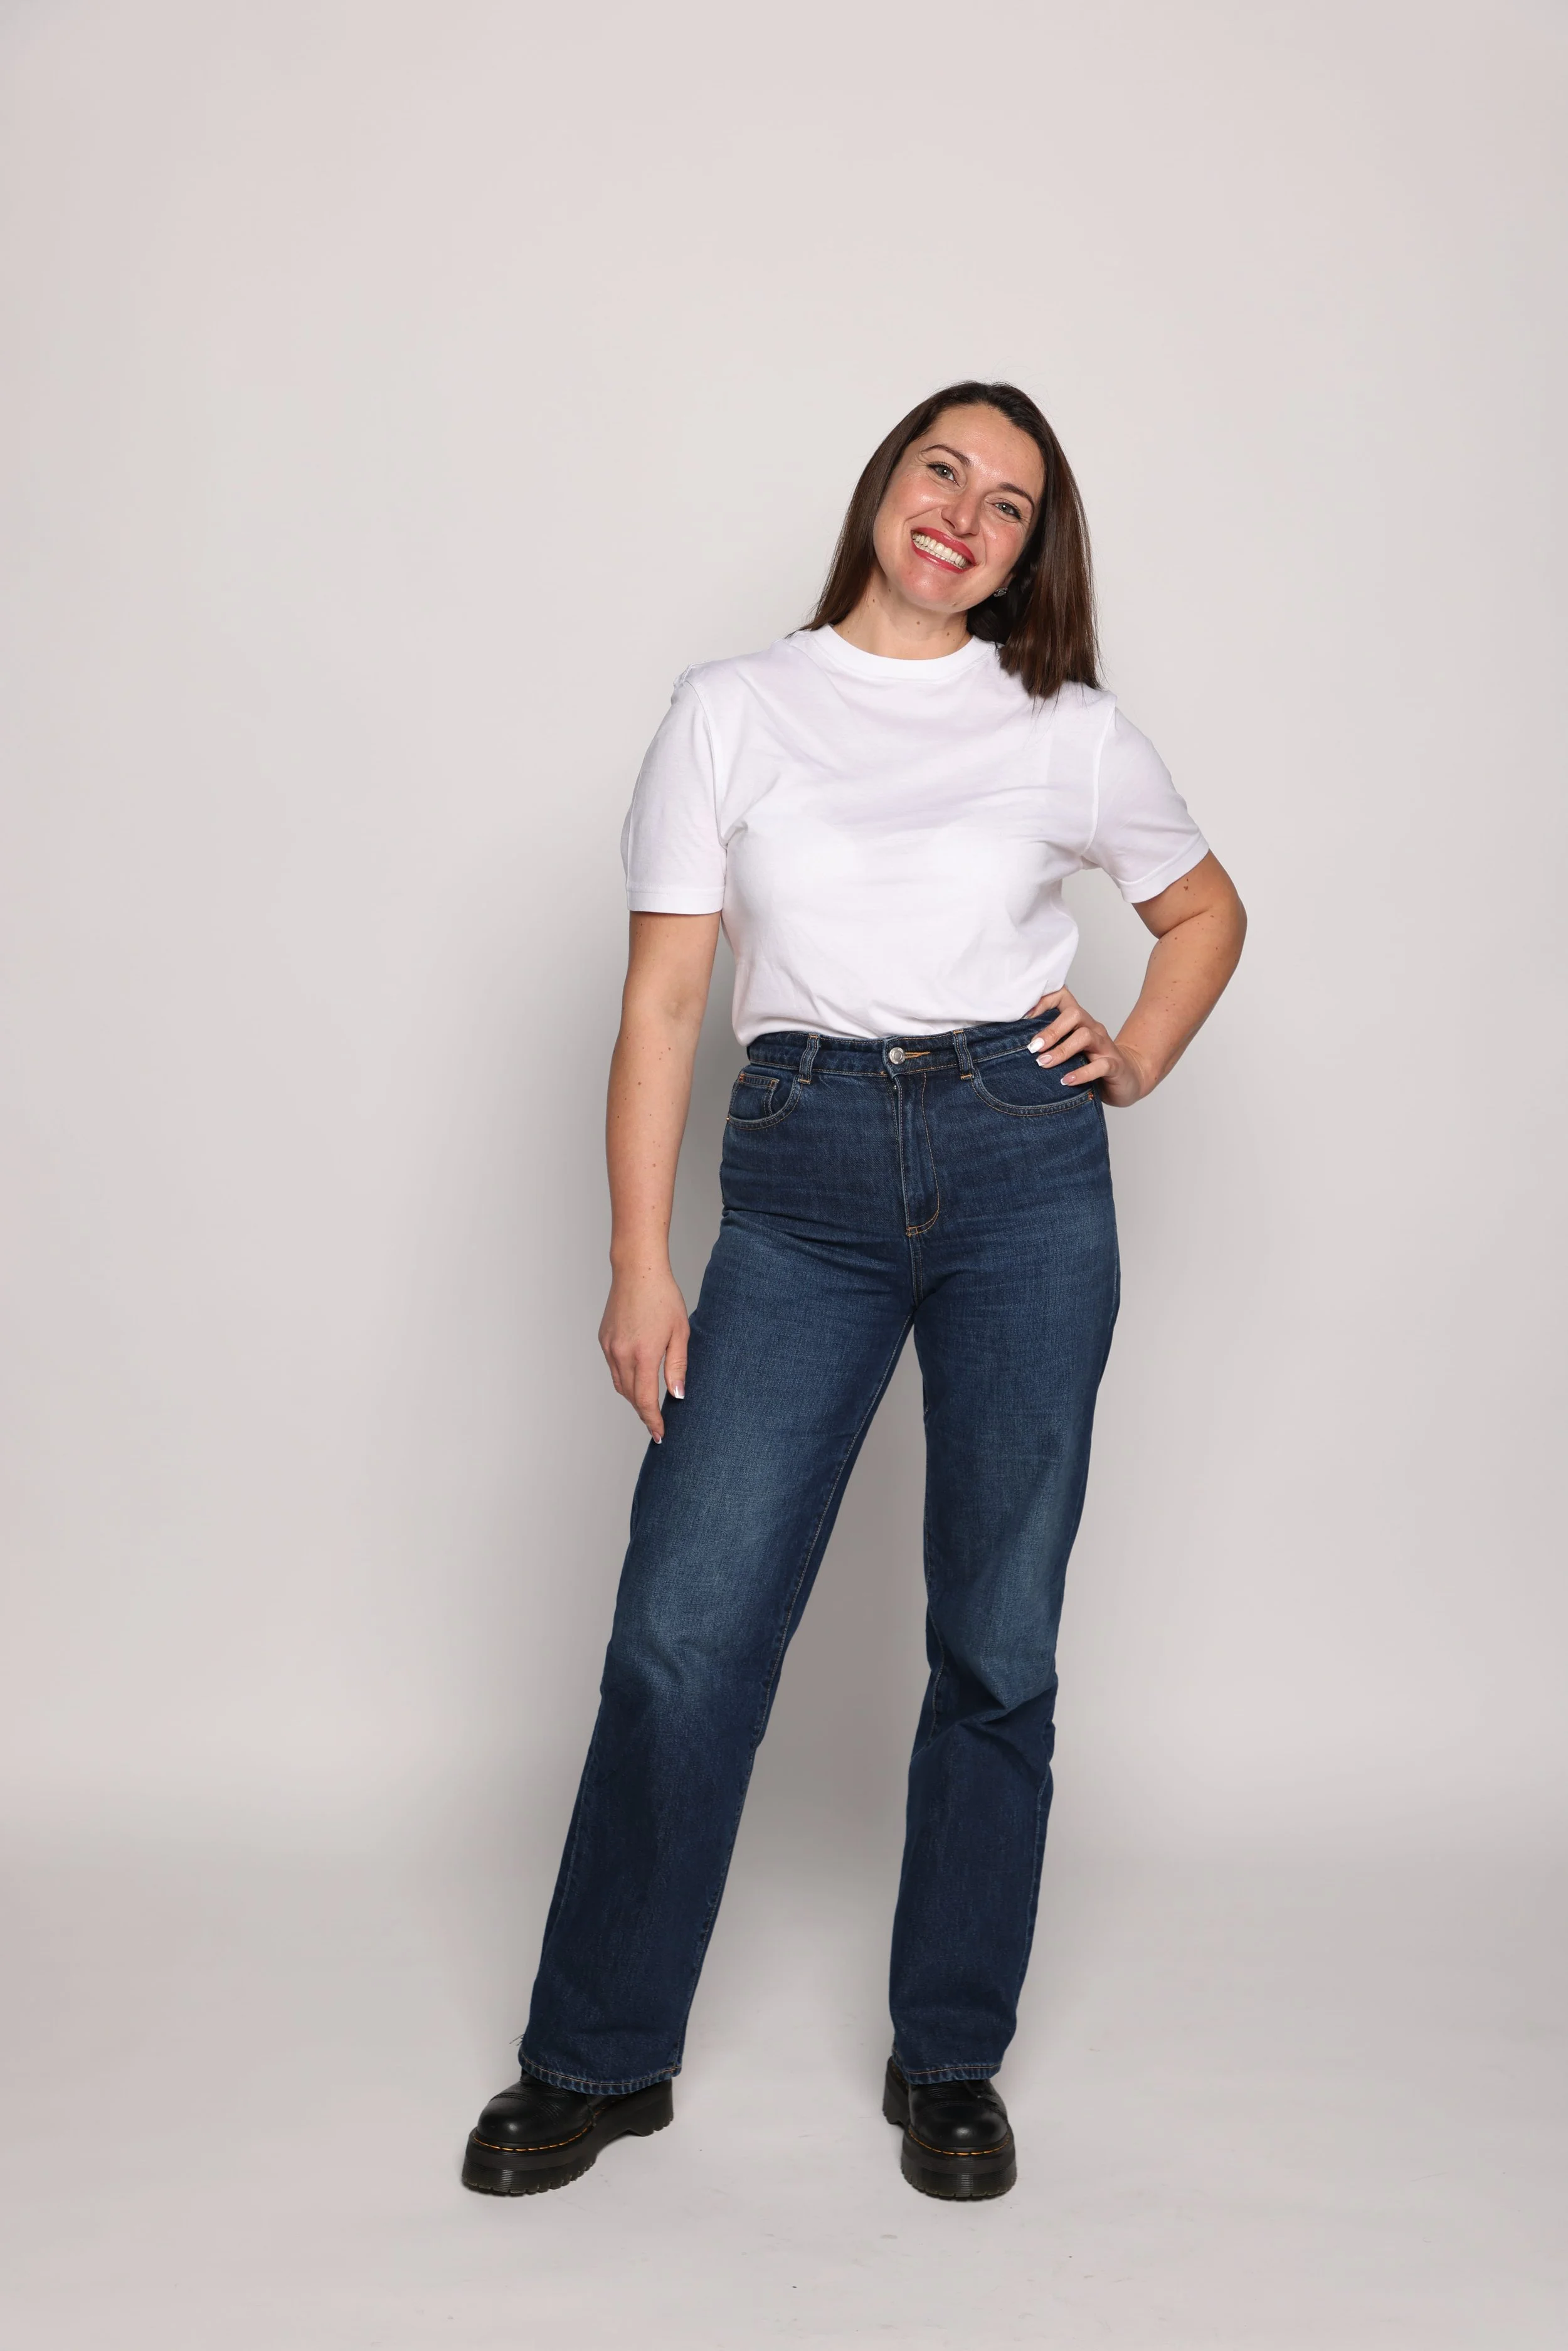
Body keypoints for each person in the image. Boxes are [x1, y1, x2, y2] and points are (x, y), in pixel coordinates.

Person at [461, 380, 1246, 2203]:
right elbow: (664, 1001)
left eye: (1009, 501)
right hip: (799, 1179)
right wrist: (638, 1255)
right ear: (883, 487)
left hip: (1021, 1168)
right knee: (685, 1629)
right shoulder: (730, 712)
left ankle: (948, 2051)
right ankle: (597, 2054)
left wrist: (1131, 1050)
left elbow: (1201, 913)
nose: (964, 511)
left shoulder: (1066, 730)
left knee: (997, 1634)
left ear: (1030, 554)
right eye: (939, 468)